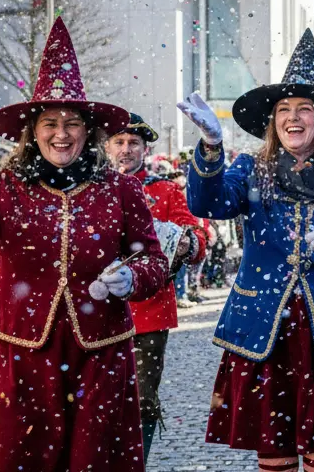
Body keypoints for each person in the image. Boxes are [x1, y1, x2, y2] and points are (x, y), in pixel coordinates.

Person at [0, 17, 167, 470]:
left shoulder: (120, 188)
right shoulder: (2, 182)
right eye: (50, 122)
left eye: (72, 123)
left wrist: (133, 275)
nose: (61, 133)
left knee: (96, 458)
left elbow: (153, 260)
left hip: (100, 350)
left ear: (89, 131)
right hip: (20, 349)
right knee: (23, 455)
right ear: (31, 131)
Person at [186, 29, 314, 472]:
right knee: (272, 451)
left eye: (304, 109)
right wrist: (211, 147)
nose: (292, 118)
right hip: (264, 327)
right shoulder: (248, 170)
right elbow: (206, 203)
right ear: (273, 121)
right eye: (283, 110)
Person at [106, 112, 209, 461]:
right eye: (119, 142)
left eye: (133, 143)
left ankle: (137, 461)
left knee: (142, 398)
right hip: (96, 311)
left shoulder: (164, 190)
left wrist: (186, 242)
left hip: (148, 313)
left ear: (145, 149)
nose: (126, 149)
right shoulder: (89, 188)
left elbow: (197, 236)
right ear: (106, 147)